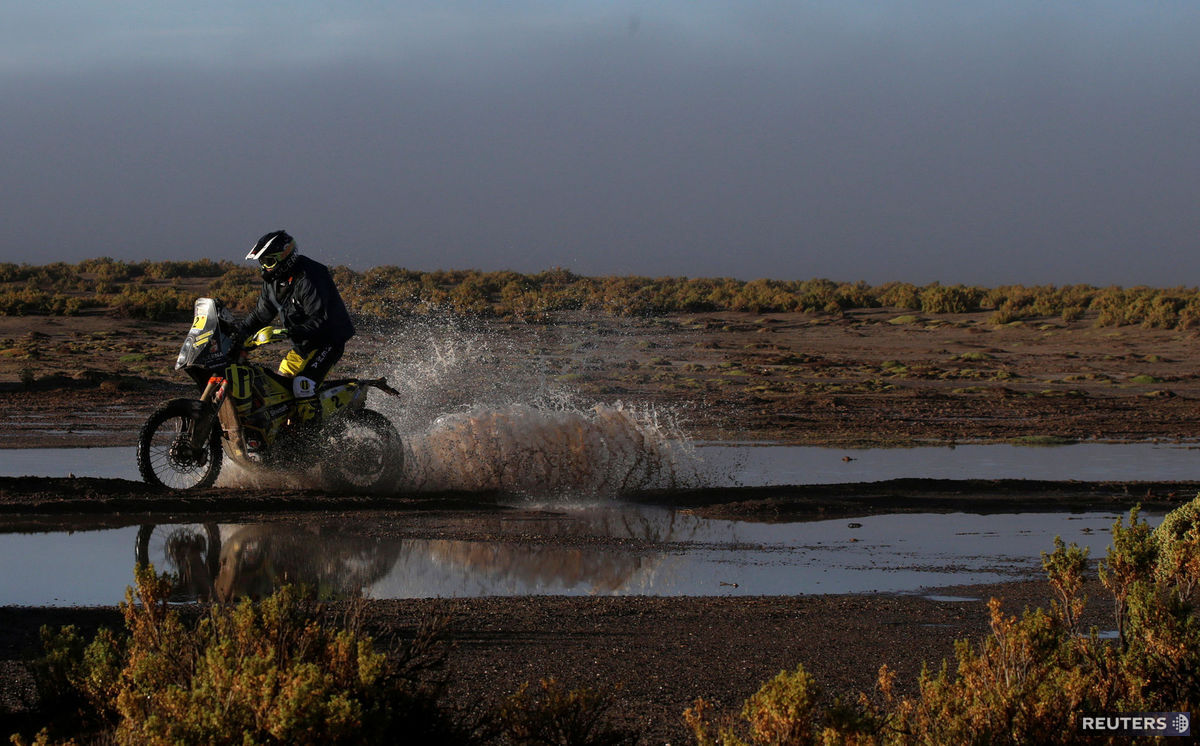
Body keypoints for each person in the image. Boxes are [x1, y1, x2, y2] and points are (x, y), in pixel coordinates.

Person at [230, 230, 355, 432]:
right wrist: (238, 333)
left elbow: (321, 320)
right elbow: (260, 316)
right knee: (279, 390)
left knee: (302, 385)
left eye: (269, 261)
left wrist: (287, 333)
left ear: (285, 258)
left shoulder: (310, 277)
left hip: (328, 341)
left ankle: (312, 444)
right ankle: (287, 436)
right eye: (262, 262)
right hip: (303, 346)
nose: (264, 267)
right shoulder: (273, 283)